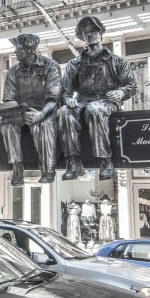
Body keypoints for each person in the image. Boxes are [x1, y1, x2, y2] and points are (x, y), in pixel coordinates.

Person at [58, 16, 137, 181]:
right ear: (82, 37)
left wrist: (121, 92)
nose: (90, 35)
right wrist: (68, 99)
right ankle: (73, 162)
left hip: (106, 101)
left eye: (94, 31)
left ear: (100, 32)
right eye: (85, 33)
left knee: (96, 109)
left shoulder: (117, 61)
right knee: (65, 111)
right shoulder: (75, 64)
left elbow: (131, 86)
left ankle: (104, 161)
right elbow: (64, 91)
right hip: (82, 100)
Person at [0, 34, 61, 186]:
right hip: (21, 111)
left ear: (30, 50)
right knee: (7, 124)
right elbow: (9, 99)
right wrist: (3, 114)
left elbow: (53, 99)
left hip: (45, 110)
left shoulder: (50, 66)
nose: (15, 52)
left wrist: (41, 114)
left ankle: (48, 169)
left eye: (19, 49)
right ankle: (17, 167)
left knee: (44, 124)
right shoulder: (12, 71)